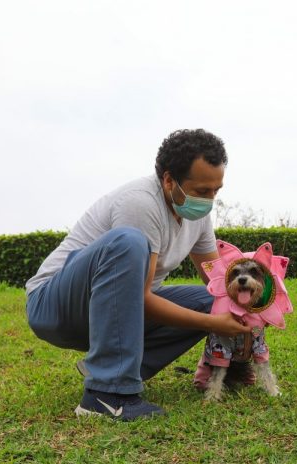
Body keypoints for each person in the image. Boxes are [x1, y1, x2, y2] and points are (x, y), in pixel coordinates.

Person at [25, 129, 250, 420]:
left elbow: (219, 284)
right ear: (169, 180)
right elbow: (140, 299)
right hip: (56, 306)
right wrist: (213, 323)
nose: (209, 200)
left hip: (117, 309)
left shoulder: (199, 217)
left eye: (216, 191)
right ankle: (106, 394)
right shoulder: (140, 203)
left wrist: (251, 308)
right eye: (201, 191)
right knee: (128, 242)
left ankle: (115, 368)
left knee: (211, 301)